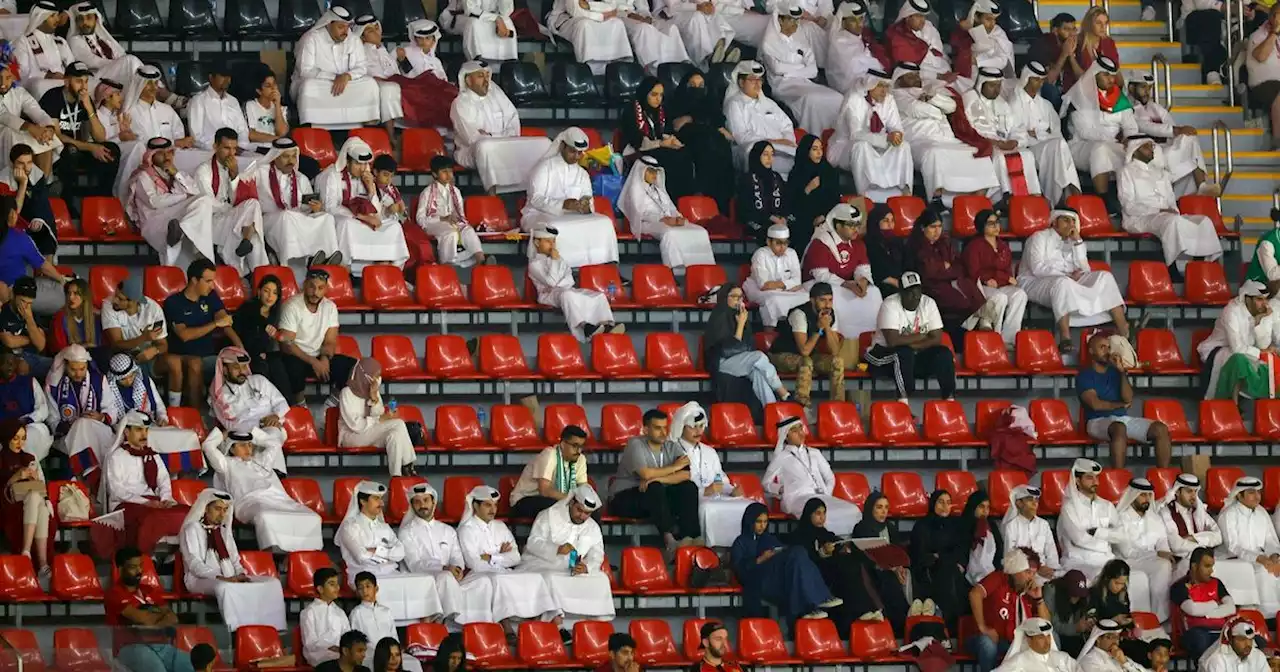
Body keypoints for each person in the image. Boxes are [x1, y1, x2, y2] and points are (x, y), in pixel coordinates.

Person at [1018, 209, 1129, 351]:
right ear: (1054, 222)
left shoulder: (1072, 241)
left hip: (1066, 280)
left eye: (1073, 221)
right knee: (1062, 283)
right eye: (1065, 220)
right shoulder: (1039, 237)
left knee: (1104, 277)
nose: (1070, 225)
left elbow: (1085, 269)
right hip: (1034, 282)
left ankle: (1124, 330)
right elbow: (1037, 268)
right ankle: (1065, 338)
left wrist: (1077, 242)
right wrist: (1066, 276)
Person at [179, 488, 287, 631]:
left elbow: (235, 560)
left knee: (272, 583)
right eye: (217, 509)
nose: (222, 514)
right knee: (225, 587)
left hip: (229, 575)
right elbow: (194, 564)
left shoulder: (224, 532)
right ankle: (237, 630)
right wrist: (221, 578)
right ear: (205, 509)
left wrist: (241, 574)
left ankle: (272, 629)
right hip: (199, 579)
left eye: (225, 509)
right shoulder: (192, 529)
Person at [891, 63, 999, 205]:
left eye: (917, 75)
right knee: (935, 153)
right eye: (910, 76)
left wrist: (931, 98)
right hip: (921, 140)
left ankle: (978, 201)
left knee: (978, 153)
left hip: (947, 139)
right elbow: (916, 109)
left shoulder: (927, 91)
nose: (916, 79)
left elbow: (951, 106)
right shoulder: (896, 95)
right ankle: (937, 200)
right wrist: (937, 109)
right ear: (899, 80)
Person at [456, 485, 562, 631]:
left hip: (503, 572)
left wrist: (492, 557)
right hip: (479, 575)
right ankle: (506, 627)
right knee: (498, 580)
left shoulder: (500, 526)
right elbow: (474, 563)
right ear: (475, 505)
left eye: (495, 505)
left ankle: (542, 624)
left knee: (536, 578)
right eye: (487, 505)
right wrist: (501, 556)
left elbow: (516, 558)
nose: (493, 509)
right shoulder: (466, 530)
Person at [1118, 135, 1222, 282]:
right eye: (1146, 147)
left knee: (1203, 221)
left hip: (1165, 216)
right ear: (1135, 151)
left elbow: (1171, 200)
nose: (1151, 150)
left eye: (1152, 146)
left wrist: (1174, 211)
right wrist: (1158, 211)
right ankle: (1173, 270)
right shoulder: (1126, 172)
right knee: (1172, 222)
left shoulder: (1161, 172)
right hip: (1139, 218)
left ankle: (1200, 267)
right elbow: (1128, 205)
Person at [337, 481, 443, 623]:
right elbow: (361, 556)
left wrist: (377, 551)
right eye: (376, 499)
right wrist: (388, 554)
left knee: (425, 580)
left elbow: (400, 553)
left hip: (391, 573)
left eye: (381, 499)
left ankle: (422, 627)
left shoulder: (384, 527)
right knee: (381, 586)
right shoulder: (350, 527)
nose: (381, 503)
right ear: (362, 501)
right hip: (364, 575)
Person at [201, 428, 320, 551]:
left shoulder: (261, 461)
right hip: (249, 502)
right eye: (242, 446)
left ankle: (308, 554)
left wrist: (253, 432)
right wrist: (222, 435)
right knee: (265, 516)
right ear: (231, 448)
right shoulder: (226, 464)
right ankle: (274, 555)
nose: (248, 449)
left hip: (280, 500)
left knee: (312, 517)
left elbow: (275, 444)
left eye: (250, 445)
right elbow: (208, 446)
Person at [520, 484, 616, 631]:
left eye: (587, 513)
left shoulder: (592, 527)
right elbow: (533, 543)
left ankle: (595, 627)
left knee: (601, 579)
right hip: (541, 563)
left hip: (573, 569)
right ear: (571, 502)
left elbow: (597, 554)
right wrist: (556, 549)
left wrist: (587, 567)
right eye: (579, 510)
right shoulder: (549, 515)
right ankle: (558, 625)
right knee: (550, 578)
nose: (582, 516)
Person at [93, 412, 189, 556]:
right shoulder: (116, 457)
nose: (144, 434)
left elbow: (163, 480)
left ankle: (175, 555)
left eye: (146, 430)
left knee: (188, 513)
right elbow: (116, 491)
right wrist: (145, 502)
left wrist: (166, 499)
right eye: (139, 430)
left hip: (154, 502)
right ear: (126, 432)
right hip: (126, 504)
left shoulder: (153, 455)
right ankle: (145, 557)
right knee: (150, 518)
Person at [397, 482, 493, 626]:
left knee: (483, 581)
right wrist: (444, 569)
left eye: (426, 500)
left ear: (433, 502)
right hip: (425, 580)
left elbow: (457, 557)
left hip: (451, 579)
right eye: (417, 502)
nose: (422, 505)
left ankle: (478, 627)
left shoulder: (448, 530)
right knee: (445, 577)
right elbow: (415, 565)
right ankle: (447, 623)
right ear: (412, 505)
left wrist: (457, 569)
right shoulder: (406, 532)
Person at [521, 128, 619, 269]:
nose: (577, 157)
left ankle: (605, 268)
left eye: (580, 153)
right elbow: (535, 199)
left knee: (605, 223)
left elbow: (588, 199)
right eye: (572, 151)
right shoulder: (544, 168)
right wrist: (563, 204)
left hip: (573, 215)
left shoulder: (582, 174)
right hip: (538, 214)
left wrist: (585, 206)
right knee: (556, 227)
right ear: (562, 146)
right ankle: (560, 270)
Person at [810, 494, 909, 634]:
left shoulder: (891, 528)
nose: (883, 512)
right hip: (870, 568)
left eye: (886, 507)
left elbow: (898, 552)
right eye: (879, 507)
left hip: (886, 568)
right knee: (885, 579)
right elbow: (862, 555)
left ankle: (908, 619)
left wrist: (898, 566)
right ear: (870, 508)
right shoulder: (862, 527)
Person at [451, 61, 552, 194]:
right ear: (468, 80)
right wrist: (500, 136)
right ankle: (495, 192)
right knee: (485, 146)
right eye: (480, 76)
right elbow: (472, 138)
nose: (486, 80)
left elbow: (513, 120)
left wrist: (493, 136)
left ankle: (538, 190)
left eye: (487, 75)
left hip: (504, 144)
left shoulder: (496, 94)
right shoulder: (460, 103)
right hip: (471, 152)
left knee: (545, 143)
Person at [610, 408, 703, 551]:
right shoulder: (635, 444)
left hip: (655, 497)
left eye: (665, 428)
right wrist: (674, 467)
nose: (663, 432)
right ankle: (669, 540)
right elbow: (645, 474)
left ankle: (691, 537)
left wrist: (658, 479)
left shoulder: (672, 446)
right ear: (646, 430)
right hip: (625, 497)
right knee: (655, 488)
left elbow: (685, 475)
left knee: (688, 487)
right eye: (658, 428)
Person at [315, 138, 410, 276]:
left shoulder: (366, 176)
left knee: (394, 226)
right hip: (344, 218)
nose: (362, 168)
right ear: (347, 161)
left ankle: (390, 272)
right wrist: (361, 217)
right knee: (346, 224)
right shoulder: (332, 176)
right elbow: (330, 208)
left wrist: (371, 188)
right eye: (358, 164)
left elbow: (376, 211)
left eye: (365, 163)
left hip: (366, 219)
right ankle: (347, 269)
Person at [252, 138, 343, 283]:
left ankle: (323, 258)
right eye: (286, 156)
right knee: (287, 216)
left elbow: (306, 208)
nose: (291, 161)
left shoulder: (301, 178)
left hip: (297, 218)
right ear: (275, 156)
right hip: (270, 219)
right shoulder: (260, 174)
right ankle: (294, 259)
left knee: (326, 217)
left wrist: (316, 209)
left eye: (294, 156)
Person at [125, 137, 222, 271]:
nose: (166, 156)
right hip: (154, 222)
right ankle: (199, 255)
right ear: (151, 155)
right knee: (180, 226)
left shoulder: (175, 173)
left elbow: (195, 193)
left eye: (169, 152)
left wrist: (176, 174)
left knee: (204, 201)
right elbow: (155, 202)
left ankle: (187, 236)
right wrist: (183, 196)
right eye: (161, 153)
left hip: (174, 221)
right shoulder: (143, 176)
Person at [731, 502, 840, 620]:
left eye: (765, 522)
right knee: (797, 555)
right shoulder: (740, 542)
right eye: (758, 522)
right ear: (750, 521)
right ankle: (817, 601)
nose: (762, 526)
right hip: (760, 580)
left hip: (777, 577)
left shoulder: (768, 538)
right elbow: (740, 572)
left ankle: (811, 606)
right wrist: (760, 559)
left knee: (799, 553)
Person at [1078, 333, 1173, 468]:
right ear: (1091, 351)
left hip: (1122, 419)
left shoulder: (1115, 372)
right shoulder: (1085, 375)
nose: (1107, 351)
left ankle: (1164, 477)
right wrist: (1120, 405)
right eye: (1102, 347)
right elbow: (1096, 404)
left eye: (1109, 347)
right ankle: (1119, 477)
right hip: (1096, 422)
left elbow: (1128, 398)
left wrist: (1122, 372)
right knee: (1119, 428)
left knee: (1160, 429)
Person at [863, 271, 957, 403]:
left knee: (944, 353)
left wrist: (910, 344)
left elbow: (936, 339)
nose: (916, 296)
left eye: (918, 290)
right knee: (903, 353)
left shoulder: (928, 304)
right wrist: (923, 335)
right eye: (910, 292)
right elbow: (893, 341)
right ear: (901, 292)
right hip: (882, 356)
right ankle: (903, 404)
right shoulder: (890, 304)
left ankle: (949, 400)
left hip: (912, 356)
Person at [1062, 56, 1138, 214]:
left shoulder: (1119, 99)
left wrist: (1129, 139)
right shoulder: (1079, 95)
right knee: (1100, 149)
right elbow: (1086, 131)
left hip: (1111, 144)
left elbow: (1131, 127)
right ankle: (1103, 200)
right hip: (1080, 147)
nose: (1111, 79)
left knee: (1140, 150)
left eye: (1112, 75)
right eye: (1106, 75)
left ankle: (1135, 200)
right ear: (1094, 75)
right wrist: (1114, 138)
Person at [669, 401, 751, 548]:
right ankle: (711, 549)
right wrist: (705, 491)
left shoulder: (709, 451)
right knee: (708, 508)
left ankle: (742, 548)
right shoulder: (673, 451)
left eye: (701, 426)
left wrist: (731, 490)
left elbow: (720, 479)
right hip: (690, 501)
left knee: (749, 505)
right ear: (681, 427)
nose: (698, 431)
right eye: (693, 427)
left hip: (716, 496)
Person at [963, 67, 1047, 203]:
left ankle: (1033, 197)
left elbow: (1017, 127)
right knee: (1000, 157)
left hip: (1004, 144)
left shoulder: (1001, 102)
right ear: (981, 84)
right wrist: (998, 143)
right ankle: (1005, 198)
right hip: (984, 144)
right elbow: (977, 129)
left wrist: (1015, 141)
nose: (996, 90)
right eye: (992, 86)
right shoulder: (971, 99)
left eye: (998, 86)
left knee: (1027, 155)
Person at [193, 128, 269, 277]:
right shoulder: (203, 171)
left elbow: (237, 200)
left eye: (234, 148)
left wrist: (234, 175)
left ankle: (259, 272)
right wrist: (232, 211)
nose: (231, 153)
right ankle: (261, 274)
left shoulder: (233, 168)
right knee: (252, 227)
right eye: (227, 148)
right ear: (215, 146)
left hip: (231, 217)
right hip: (211, 221)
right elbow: (208, 204)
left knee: (253, 204)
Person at [167, 260, 243, 410]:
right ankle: (196, 414)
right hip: (183, 357)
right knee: (195, 364)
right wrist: (215, 324)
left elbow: (224, 321)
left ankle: (235, 411)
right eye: (208, 281)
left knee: (235, 365)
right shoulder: (174, 302)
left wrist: (240, 348)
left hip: (208, 356)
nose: (212, 285)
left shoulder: (210, 296)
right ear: (194, 280)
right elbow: (184, 335)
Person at [801, 202, 882, 342]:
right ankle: (844, 339)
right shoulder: (820, 243)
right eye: (851, 225)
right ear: (838, 226)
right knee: (833, 294)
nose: (856, 229)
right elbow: (821, 275)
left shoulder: (858, 243)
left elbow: (862, 268)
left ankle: (871, 339)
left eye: (857, 225)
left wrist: (862, 281)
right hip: (819, 286)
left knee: (874, 292)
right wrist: (847, 284)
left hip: (846, 285)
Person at [617, 155, 714, 272]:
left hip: (668, 221)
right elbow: (639, 214)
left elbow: (671, 208)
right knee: (670, 233)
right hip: (646, 224)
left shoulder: (659, 190)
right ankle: (676, 269)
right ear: (641, 171)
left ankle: (704, 269)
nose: (654, 175)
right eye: (651, 171)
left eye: (656, 172)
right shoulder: (635, 189)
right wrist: (662, 219)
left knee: (699, 231)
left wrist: (678, 217)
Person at [764, 416, 860, 532]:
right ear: (786, 436)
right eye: (795, 431)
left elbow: (830, 477)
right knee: (819, 514)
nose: (800, 433)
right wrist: (780, 489)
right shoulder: (781, 457)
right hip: (797, 498)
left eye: (801, 429)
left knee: (852, 510)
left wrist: (826, 493)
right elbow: (766, 482)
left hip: (822, 496)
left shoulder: (815, 453)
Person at [1005, 62, 1082, 206]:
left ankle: (1063, 197)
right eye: (1036, 79)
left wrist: (1037, 134)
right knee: (1058, 147)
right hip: (1028, 150)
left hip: (1049, 148)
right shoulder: (1014, 103)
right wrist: (1042, 134)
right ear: (1026, 79)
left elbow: (1056, 132)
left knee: (1059, 146)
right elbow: (1015, 133)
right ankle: (1072, 196)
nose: (1040, 83)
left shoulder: (1046, 104)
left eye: (1041, 79)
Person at [827, 70, 912, 201]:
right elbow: (855, 134)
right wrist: (885, 139)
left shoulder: (888, 99)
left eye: (886, 86)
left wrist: (896, 134)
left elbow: (896, 126)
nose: (884, 91)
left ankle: (904, 194)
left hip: (878, 145)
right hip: (845, 147)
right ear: (869, 85)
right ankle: (865, 194)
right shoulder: (854, 98)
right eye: (880, 86)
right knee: (861, 146)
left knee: (904, 146)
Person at [107, 546, 194, 672]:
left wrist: (150, 617)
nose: (139, 571)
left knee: (190, 666)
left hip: (161, 646)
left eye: (140, 566)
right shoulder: (114, 594)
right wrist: (159, 614)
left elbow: (173, 618)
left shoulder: (149, 590)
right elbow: (143, 621)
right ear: (120, 569)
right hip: (131, 647)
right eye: (133, 567)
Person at [37, 63, 118, 195]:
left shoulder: (86, 100)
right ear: (67, 81)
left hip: (81, 147)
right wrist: (90, 147)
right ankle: (68, 202)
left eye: (86, 82)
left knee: (112, 150)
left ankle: (101, 197)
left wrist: (89, 108)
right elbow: (56, 136)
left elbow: (100, 137)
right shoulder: (52, 97)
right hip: (59, 149)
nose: (84, 87)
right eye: (79, 81)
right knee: (70, 151)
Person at [528, 228, 622, 341]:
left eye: (554, 241)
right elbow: (551, 282)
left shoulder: (559, 258)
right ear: (537, 243)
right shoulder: (534, 264)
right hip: (548, 295)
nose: (552, 245)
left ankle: (607, 324)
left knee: (598, 296)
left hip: (565, 288)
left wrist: (558, 271)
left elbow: (569, 279)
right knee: (567, 295)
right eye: (548, 241)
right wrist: (554, 261)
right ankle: (585, 327)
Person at [703, 284, 789, 407]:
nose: (739, 300)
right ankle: (783, 392)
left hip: (738, 360)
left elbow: (749, 345)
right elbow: (726, 350)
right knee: (759, 356)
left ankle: (772, 409)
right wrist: (740, 325)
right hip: (720, 362)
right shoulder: (719, 315)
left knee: (757, 373)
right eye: (734, 296)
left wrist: (743, 323)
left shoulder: (740, 315)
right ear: (724, 297)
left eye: (741, 297)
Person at [277, 268, 356, 402]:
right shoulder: (292, 306)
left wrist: (324, 359)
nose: (316, 292)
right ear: (304, 285)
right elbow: (286, 344)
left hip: (318, 355)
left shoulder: (330, 307)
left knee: (353, 367)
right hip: (297, 355)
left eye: (320, 288)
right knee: (293, 366)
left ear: (326, 289)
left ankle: (333, 402)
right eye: (312, 287)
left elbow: (330, 340)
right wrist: (313, 361)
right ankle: (300, 406)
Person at [292, 7, 380, 127]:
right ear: (328, 24)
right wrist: (334, 77)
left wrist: (347, 76)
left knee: (370, 83)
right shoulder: (311, 39)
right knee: (309, 87)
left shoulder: (353, 39)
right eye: (340, 27)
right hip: (321, 84)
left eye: (347, 26)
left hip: (346, 83)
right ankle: (313, 124)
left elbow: (362, 67)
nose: (345, 31)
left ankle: (366, 124)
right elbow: (305, 70)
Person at [761, 5, 841, 135]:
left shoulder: (800, 39)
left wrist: (788, 71)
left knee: (837, 98)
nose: (796, 24)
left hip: (804, 83)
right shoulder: (769, 43)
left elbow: (813, 71)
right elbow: (776, 69)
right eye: (791, 20)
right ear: (780, 20)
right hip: (783, 86)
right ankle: (813, 137)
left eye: (797, 20)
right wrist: (802, 66)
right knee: (812, 99)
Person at [907, 209, 990, 333]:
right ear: (922, 228)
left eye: (940, 226)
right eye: (932, 227)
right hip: (930, 286)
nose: (937, 231)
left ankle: (973, 330)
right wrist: (944, 267)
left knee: (973, 292)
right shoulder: (916, 246)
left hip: (951, 281)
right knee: (961, 301)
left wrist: (944, 268)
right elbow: (929, 272)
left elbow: (959, 266)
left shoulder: (946, 242)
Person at [967, 548, 1051, 672]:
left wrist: (1038, 599)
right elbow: (975, 594)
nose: (1031, 577)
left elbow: (1046, 625)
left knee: (1050, 637)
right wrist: (983, 627)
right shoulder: (999, 578)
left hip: (1014, 642)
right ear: (1015, 569)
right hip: (987, 638)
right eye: (1027, 572)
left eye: (1034, 573)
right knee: (987, 644)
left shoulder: (1029, 590)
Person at [47, 344, 122, 480]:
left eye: (82, 369)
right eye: (73, 369)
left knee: (84, 424)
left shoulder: (99, 380)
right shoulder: (54, 386)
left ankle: (80, 474)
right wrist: (72, 425)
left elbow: (112, 410)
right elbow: (52, 420)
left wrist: (101, 417)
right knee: (81, 424)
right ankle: (92, 474)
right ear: (65, 366)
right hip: (67, 437)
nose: (78, 373)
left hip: (97, 432)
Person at [767, 282, 848, 406]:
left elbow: (835, 351)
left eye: (830, 300)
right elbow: (804, 351)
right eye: (822, 300)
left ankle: (837, 406)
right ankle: (802, 405)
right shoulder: (799, 314)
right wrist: (818, 329)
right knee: (806, 361)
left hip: (807, 356)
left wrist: (826, 328)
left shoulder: (830, 315)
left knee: (837, 361)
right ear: (812, 300)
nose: (827, 305)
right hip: (781, 355)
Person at [665, 71, 736, 212]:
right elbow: (676, 125)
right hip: (688, 140)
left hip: (712, 141)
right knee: (706, 141)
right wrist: (700, 122)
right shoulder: (676, 103)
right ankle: (700, 192)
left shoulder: (711, 105)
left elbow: (718, 123)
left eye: (700, 85)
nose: (697, 89)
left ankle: (721, 202)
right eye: (692, 85)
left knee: (719, 145)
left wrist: (691, 119)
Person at [1129, 76, 1213, 195]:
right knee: (1186, 158)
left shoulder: (1155, 107)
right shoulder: (1128, 108)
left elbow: (1171, 125)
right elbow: (1146, 126)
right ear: (1132, 88)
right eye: (1143, 87)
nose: (1147, 92)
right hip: (1146, 152)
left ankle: (1202, 185)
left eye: (1150, 88)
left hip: (1166, 148)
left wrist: (1180, 132)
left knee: (1189, 138)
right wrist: (1177, 130)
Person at [208, 346, 289, 465]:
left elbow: (281, 402)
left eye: (244, 367)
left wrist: (275, 417)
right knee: (270, 438)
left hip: (270, 427)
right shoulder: (220, 396)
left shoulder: (259, 381)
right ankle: (273, 476)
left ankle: (271, 475)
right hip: (241, 436)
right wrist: (261, 425)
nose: (242, 371)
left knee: (273, 434)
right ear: (224, 370)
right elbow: (231, 425)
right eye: (236, 367)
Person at [1057, 458, 1132, 583]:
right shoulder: (1069, 508)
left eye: (1096, 477)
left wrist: (1099, 533)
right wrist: (1107, 540)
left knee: (1137, 576)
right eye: (1089, 478)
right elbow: (1079, 539)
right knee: (1102, 576)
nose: (1095, 482)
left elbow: (1122, 535)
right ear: (1077, 481)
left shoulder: (1107, 506)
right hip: (1078, 561)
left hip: (1106, 560)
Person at [961, 210, 1029, 347]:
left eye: (997, 223)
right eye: (991, 224)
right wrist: (988, 279)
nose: (996, 226)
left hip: (1000, 284)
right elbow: (973, 272)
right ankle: (995, 337)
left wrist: (1005, 279)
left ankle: (1009, 339)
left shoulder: (1003, 246)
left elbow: (1007, 270)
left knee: (1020, 294)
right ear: (982, 227)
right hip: (980, 285)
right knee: (1000, 297)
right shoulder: (974, 246)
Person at [338, 358, 416, 477]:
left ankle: (396, 476)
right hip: (351, 436)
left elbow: (378, 414)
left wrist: (373, 397)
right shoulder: (346, 393)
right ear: (365, 374)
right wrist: (379, 419)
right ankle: (408, 464)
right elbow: (356, 426)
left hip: (369, 433)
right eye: (376, 375)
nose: (378, 379)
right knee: (398, 423)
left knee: (394, 435)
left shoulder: (373, 391)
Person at [1112, 478, 1174, 621]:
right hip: (1127, 561)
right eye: (1142, 495)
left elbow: (1162, 540)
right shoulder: (1120, 518)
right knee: (1145, 573)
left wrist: (1164, 552)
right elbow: (1126, 551)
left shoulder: (1154, 518)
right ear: (1133, 495)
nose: (1146, 499)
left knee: (1165, 565)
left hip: (1149, 559)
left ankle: (1159, 619)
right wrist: (1156, 553)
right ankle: (1139, 619)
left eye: (1149, 495)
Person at [1217, 477, 1280, 615]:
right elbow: (1233, 547)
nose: (1257, 496)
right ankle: (1266, 617)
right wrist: (1259, 558)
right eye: (1252, 492)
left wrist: (1274, 555)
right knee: (1264, 572)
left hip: (1261, 558)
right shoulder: (1229, 514)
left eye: (1258, 492)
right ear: (1239, 495)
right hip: (1234, 559)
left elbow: (1270, 540)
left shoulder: (1261, 512)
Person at [724, 61, 797, 177]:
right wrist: (773, 142)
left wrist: (787, 141)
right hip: (754, 150)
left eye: (760, 80)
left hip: (783, 149)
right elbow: (741, 136)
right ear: (741, 82)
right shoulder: (734, 104)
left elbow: (787, 126)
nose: (758, 84)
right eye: (753, 80)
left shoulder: (769, 103)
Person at [0, 419, 52, 575]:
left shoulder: (29, 457)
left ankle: (38, 560)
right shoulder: (1, 458)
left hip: (30, 502)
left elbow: (42, 485)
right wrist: (15, 477)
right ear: (7, 437)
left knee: (40, 505)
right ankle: (31, 555)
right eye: (15, 438)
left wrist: (34, 478)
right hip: (8, 501)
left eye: (23, 438)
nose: (20, 443)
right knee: (36, 499)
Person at [414, 156, 485, 269]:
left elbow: (461, 215)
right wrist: (443, 219)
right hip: (432, 224)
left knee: (468, 231)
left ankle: (480, 260)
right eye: (444, 172)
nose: (449, 175)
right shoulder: (427, 193)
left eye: (450, 171)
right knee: (450, 232)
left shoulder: (455, 191)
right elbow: (420, 219)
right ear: (435, 174)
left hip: (452, 223)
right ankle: (447, 264)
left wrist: (456, 219)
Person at [1171, 547, 1239, 660]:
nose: (1211, 571)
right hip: (1195, 633)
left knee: (1253, 639)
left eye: (1212, 566)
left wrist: (1206, 613)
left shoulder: (1217, 583)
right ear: (1194, 566)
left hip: (1221, 630)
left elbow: (1231, 608)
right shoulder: (1179, 586)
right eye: (1207, 566)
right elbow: (1192, 609)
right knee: (1201, 640)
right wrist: (1216, 604)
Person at [510, 425, 590, 519]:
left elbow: (584, 489)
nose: (579, 451)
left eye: (581, 446)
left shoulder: (580, 459)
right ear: (563, 444)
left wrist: (585, 502)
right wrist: (572, 500)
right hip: (525, 500)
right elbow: (545, 490)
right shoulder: (549, 454)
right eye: (575, 446)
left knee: (591, 509)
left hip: (559, 499)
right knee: (556, 507)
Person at [350, 573, 423, 672]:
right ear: (357, 592)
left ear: (376, 589)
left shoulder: (386, 611)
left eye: (368, 586)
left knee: (413, 662)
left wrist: (397, 650)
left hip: (391, 651)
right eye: (360, 588)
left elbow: (393, 635)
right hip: (371, 654)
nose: (364, 591)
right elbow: (357, 641)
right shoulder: (356, 613)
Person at [232, 275, 290, 398]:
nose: (270, 296)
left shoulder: (276, 314)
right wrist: (258, 352)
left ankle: (286, 406)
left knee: (279, 364)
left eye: (274, 293)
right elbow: (243, 336)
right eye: (266, 291)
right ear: (258, 292)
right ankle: (264, 404)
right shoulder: (248, 308)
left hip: (263, 352)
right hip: (243, 352)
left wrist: (275, 336)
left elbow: (283, 338)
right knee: (261, 366)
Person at [101, 277, 167, 378]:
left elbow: (163, 345)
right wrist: (143, 338)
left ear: (133, 301)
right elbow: (117, 344)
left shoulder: (153, 308)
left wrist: (154, 351)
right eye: (116, 295)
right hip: (123, 355)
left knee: (173, 363)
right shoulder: (108, 305)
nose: (115, 300)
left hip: (148, 355)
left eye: (120, 299)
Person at [0, 144, 57, 260]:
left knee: (45, 227)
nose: (26, 168)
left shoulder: (36, 174)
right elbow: (12, 215)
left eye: (29, 162)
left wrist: (39, 218)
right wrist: (23, 184)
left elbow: (41, 200)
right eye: (21, 163)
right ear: (12, 164)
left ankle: (47, 270)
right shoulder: (3, 180)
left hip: (30, 218)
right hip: (9, 222)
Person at [885, 0, 961, 86]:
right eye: (918, 16)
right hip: (917, 79)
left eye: (924, 16)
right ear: (907, 17)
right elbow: (908, 69)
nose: (922, 20)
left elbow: (938, 51)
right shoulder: (897, 36)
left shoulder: (928, 26)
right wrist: (940, 76)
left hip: (942, 68)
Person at [352, 17, 408, 134]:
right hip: (375, 84)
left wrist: (398, 58)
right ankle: (391, 134)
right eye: (371, 31)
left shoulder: (383, 50)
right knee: (389, 89)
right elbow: (363, 72)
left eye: (377, 28)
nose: (377, 32)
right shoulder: (361, 52)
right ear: (362, 37)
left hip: (396, 81)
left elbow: (390, 69)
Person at [786, 134, 841, 250]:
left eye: (821, 149)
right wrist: (808, 189)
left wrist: (824, 216)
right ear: (806, 151)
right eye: (814, 149)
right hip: (803, 219)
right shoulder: (796, 174)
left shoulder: (829, 172)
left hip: (826, 217)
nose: (819, 153)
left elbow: (835, 199)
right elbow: (792, 203)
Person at [546, 0, 633, 72]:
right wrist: (601, 15)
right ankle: (591, 71)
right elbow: (575, 10)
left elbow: (612, 6)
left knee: (617, 23)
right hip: (566, 17)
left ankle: (618, 71)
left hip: (596, 15)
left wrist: (589, 5)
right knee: (585, 25)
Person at [825, 1, 890, 95]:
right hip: (851, 88)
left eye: (860, 19)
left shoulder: (863, 37)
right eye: (852, 20)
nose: (859, 24)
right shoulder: (838, 42)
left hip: (871, 82)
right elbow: (849, 71)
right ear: (843, 22)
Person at [13, 2, 74, 101]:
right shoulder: (23, 41)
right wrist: (48, 75)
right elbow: (21, 72)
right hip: (42, 83)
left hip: (66, 82)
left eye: (57, 15)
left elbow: (72, 64)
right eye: (52, 16)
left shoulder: (60, 41)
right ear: (40, 18)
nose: (57, 19)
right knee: (40, 85)